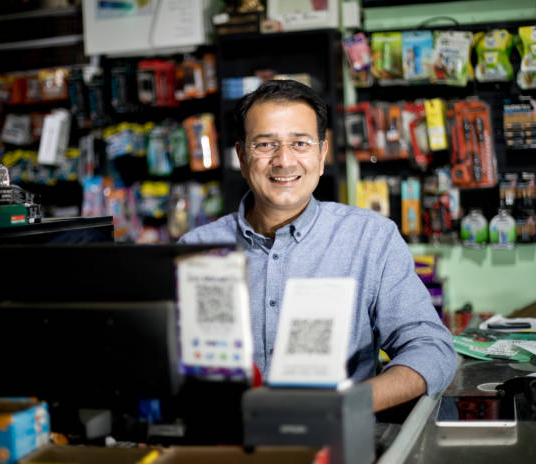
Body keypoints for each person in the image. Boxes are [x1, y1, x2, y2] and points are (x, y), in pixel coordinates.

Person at [179, 79, 457, 412]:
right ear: (241, 156)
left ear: (322, 154)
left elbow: (431, 348)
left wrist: (347, 405)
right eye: (265, 145)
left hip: (338, 438)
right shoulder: (195, 249)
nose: (284, 160)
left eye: (300, 143)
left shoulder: (370, 237)